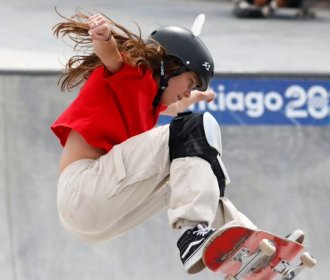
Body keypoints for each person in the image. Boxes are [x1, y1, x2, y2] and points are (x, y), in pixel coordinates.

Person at [50, 10, 256, 274]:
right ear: (171, 66)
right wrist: (102, 36)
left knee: (190, 173)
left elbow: (172, 106)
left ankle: (247, 248)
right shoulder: (135, 74)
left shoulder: (148, 104)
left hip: (101, 215)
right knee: (194, 129)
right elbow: (111, 56)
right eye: (190, 82)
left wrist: (190, 99)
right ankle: (193, 235)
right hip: (83, 189)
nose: (188, 91)